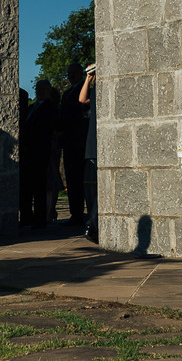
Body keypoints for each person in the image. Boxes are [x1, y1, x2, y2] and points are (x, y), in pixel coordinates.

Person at [19, 80, 57, 229]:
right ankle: (26, 216)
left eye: (42, 90)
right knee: (25, 186)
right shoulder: (31, 107)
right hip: (27, 151)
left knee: (39, 186)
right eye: (37, 90)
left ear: (48, 91)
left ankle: (39, 218)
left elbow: (48, 127)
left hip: (40, 150)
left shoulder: (50, 108)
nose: (39, 92)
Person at [57, 63, 89, 226]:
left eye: (74, 73)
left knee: (84, 178)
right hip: (69, 140)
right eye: (69, 73)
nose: (71, 76)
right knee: (72, 178)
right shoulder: (67, 93)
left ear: (80, 73)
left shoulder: (85, 88)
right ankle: (75, 213)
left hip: (80, 139)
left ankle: (88, 212)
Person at [79, 65, 98, 242]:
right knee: (93, 189)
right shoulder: (95, 90)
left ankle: (92, 225)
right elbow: (82, 99)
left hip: (99, 143)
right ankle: (93, 225)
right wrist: (88, 78)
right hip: (93, 144)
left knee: (100, 189)